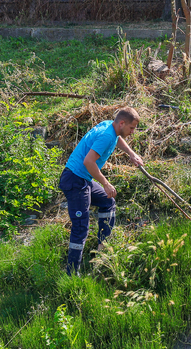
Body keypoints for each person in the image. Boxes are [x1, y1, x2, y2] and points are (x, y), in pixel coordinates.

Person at [60, 107, 144, 275]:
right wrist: (105, 183)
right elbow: (88, 162)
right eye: (131, 128)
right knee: (80, 227)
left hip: (82, 178)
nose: (133, 132)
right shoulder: (106, 135)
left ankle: (102, 249)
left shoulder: (110, 126)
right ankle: (72, 273)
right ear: (122, 123)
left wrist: (131, 153)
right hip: (75, 180)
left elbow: (117, 138)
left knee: (108, 201)